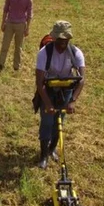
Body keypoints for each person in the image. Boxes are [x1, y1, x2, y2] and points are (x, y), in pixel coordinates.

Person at [35, 20, 86, 169]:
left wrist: (73, 100)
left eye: (66, 39)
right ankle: (43, 154)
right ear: (55, 38)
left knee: (59, 121)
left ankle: (52, 150)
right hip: (48, 89)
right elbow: (39, 82)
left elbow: (81, 80)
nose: (63, 42)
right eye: (60, 39)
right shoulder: (44, 53)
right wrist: (48, 104)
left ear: (69, 38)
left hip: (66, 90)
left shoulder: (76, 53)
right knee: (47, 121)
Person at [0, 0, 33, 72]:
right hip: (10, 23)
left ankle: (16, 66)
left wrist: (27, 28)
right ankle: (0, 64)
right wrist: (3, 22)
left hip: (21, 25)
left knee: (18, 47)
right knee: (5, 45)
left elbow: (29, 15)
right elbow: (5, 10)